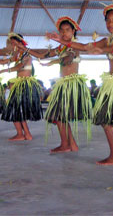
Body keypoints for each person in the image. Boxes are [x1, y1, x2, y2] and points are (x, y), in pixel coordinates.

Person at [48, 4, 113, 165]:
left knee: (106, 120)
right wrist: (61, 41)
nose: (111, 23)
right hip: (112, 82)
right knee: (106, 120)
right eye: (108, 21)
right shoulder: (106, 40)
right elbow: (83, 46)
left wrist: (103, 50)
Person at [30, 16, 92, 153]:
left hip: (71, 85)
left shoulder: (75, 46)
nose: (64, 33)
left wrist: (54, 62)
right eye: (62, 30)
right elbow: (42, 55)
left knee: (58, 116)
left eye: (67, 30)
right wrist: (25, 49)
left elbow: (68, 59)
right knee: (59, 117)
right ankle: (71, 145)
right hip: (63, 85)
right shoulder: (60, 48)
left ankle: (67, 145)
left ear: (73, 31)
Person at [0, 33, 42, 141]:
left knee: (17, 109)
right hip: (18, 84)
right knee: (15, 109)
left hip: (24, 85)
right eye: (12, 44)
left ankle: (26, 134)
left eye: (15, 43)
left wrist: (4, 71)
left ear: (21, 43)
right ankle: (21, 133)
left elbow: (19, 66)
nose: (14, 46)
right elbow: (4, 61)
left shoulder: (26, 55)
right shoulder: (17, 56)